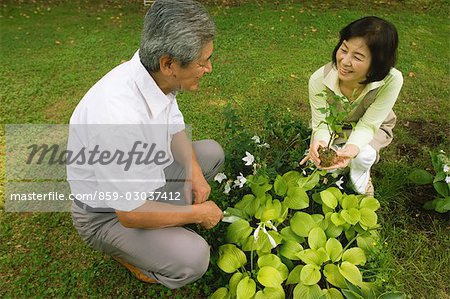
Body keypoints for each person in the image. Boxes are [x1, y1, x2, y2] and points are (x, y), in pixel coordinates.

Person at [67, 0, 224, 289]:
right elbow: (130, 213)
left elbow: (174, 126)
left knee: (210, 154)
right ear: (169, 64)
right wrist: (199, 214)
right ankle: (131, 257)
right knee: (194, 257)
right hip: (107, 216)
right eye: (202, 62)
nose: (209, 68)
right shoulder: (117, 121)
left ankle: (167, 218)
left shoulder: (152, 73)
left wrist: (195, 174)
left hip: (144, 181)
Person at [300, 16, 403, 195]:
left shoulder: (391, 80)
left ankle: (361, 173)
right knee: (329, 166)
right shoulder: (319, 80)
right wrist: (321, 142)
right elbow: (321, 123)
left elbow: (369, 124)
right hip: (335, 128)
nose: (345, 61)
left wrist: (353, 149)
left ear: (377, 63)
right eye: (344, 49)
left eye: (357, 57)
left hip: (374, 126)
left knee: (363, 156)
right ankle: (343, 165)